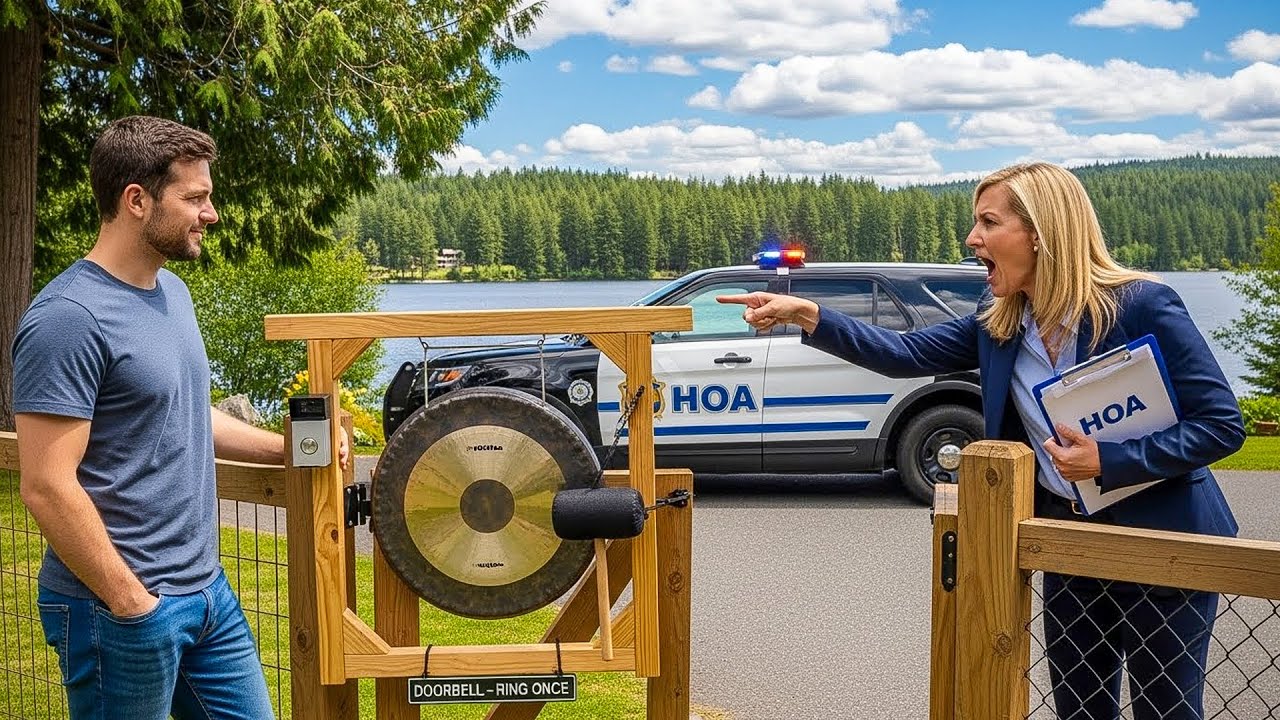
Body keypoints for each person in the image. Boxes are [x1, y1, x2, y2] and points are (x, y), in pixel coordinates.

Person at [719, 161, 1243, 720]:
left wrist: (1110, 460)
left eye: (988, 223)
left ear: (1040, 232)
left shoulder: (1142, 305)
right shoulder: (997, 325)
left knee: (1167, 711)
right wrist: (808, 314)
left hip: (1162, 544)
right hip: (1066, 544)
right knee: (1080, 709)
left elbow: (1221, 424)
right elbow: (903, 354)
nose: (972, 239)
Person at [11, 116, 348, 719]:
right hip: (116, 605)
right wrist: (131, 602)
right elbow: (45, 484)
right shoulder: (68, 318)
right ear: (136, 201)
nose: (210, 213)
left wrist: (296, 446)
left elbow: (187, 414)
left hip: (206, 594)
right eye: (195, 197)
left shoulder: (173, 294)